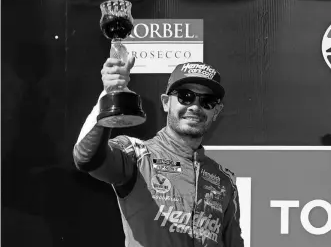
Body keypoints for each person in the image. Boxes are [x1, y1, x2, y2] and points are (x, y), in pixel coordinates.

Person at [73, 55, 244, 247]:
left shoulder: (223, 180)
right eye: (185, 97)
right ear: (165, 102)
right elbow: (87, 158)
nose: (195, 107)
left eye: (208, 101)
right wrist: (107, 97)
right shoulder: (137, 154)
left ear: (216, 111)